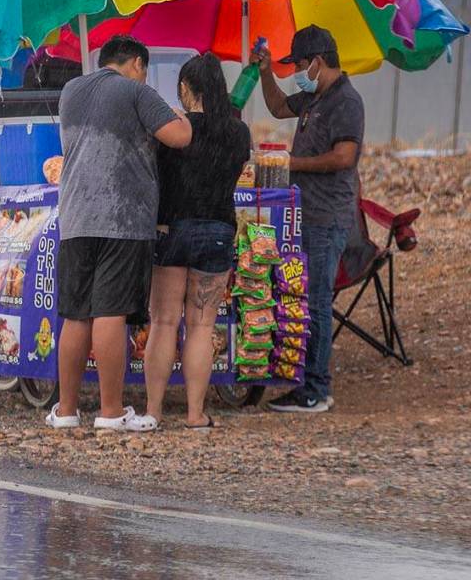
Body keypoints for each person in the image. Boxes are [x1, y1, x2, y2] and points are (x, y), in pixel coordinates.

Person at [47, 35, 192, 430]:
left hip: (75, 217)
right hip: (122, 219)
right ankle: (110, 413)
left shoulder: (71, 91)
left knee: (75, 315)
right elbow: (179, 137)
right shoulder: (135, 91)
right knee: (109, 312)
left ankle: (66, 411)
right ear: (137, 65)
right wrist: (180, 116)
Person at [253, 24, 365, 413]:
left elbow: (344, 157)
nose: (296, 72)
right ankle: (305, 382)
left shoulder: (345, 102)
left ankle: (316, 389)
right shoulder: (314, 98)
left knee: (316, 301)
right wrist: (266, 71)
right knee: (306, 297)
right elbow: (278, 107)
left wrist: (292, 163)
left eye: (299, 65)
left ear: (317, 62)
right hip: (307, 215)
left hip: (327, 216)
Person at [141, 53, 251, 430]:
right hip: (218, 231)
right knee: (202, 325)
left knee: (164, 321)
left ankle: (153, 412)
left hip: (172, 230)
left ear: (186, 90)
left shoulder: (174, 129)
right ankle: (194, 414)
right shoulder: (238, 133)